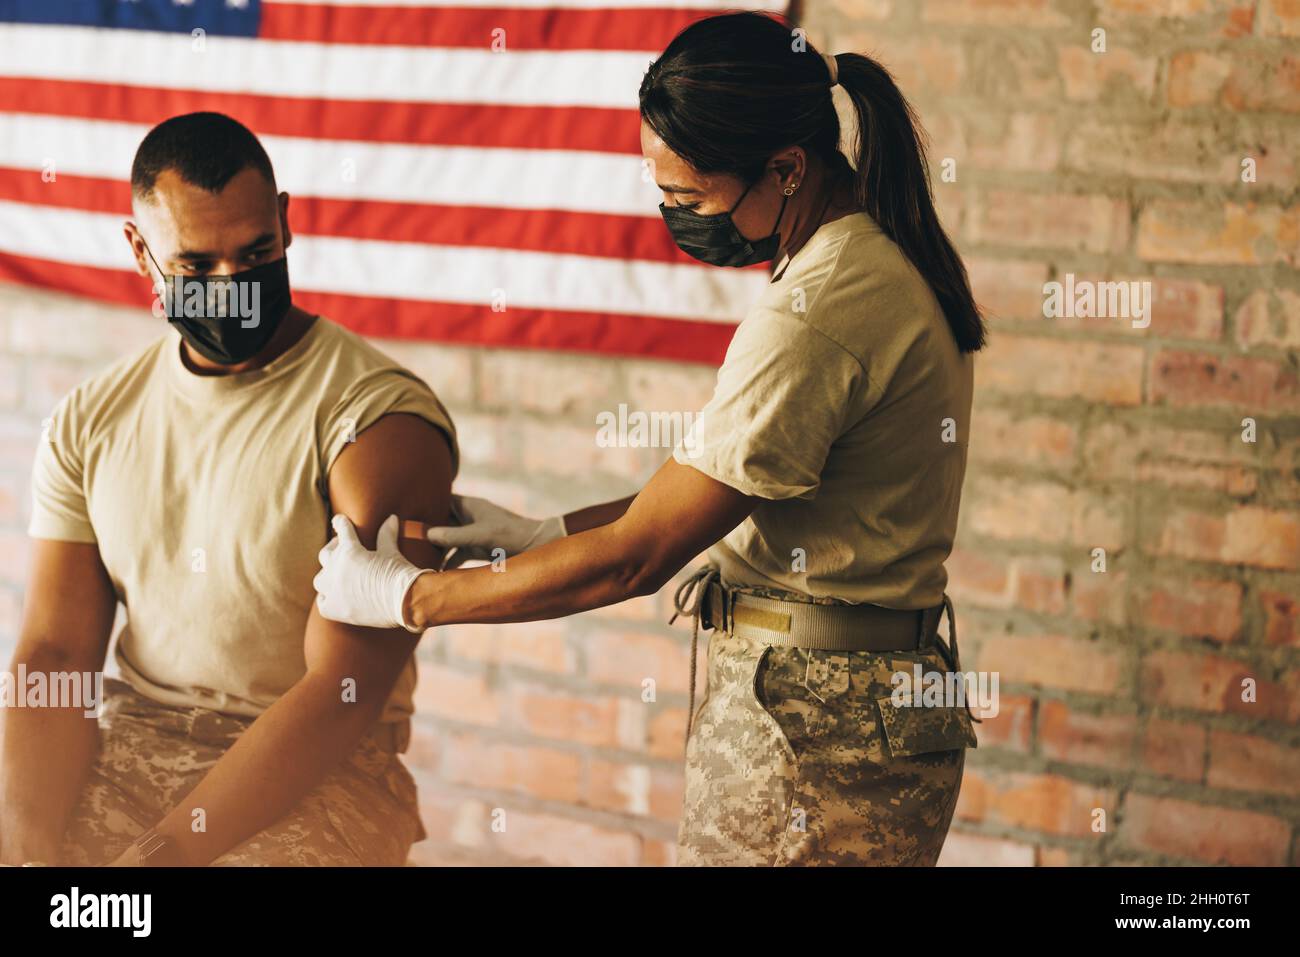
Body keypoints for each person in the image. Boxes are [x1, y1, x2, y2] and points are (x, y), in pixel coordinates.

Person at [314, 11, 986, 866]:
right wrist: (547, 533)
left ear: (787, 168)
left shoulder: (819, 312)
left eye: (692, 199)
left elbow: (639, 558)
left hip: (817, 734)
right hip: (863, 704)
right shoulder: (878, 252)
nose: (675, 216)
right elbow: (716, 493)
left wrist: (407, 598)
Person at [0, 112, 457, 866]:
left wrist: (164, 854)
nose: (232, 289)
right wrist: (25, 841)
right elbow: (53, 655)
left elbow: (343, 691)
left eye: (255, 253)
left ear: (285, 223)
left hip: (325, 773)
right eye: (196, 265)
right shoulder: (90, 421)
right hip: (133, 739)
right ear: (140, 252)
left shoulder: (377, 422)